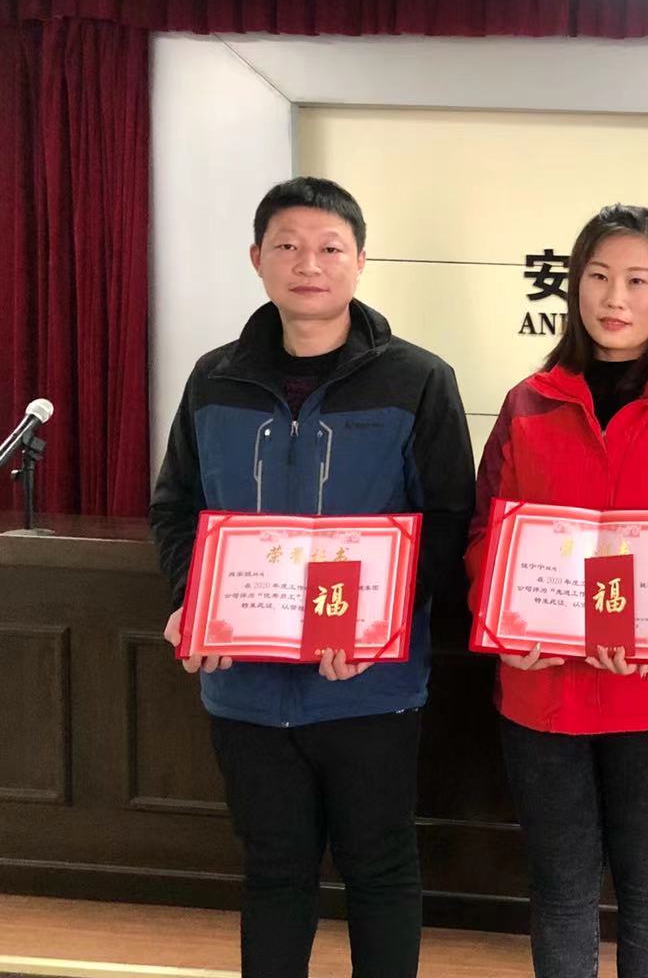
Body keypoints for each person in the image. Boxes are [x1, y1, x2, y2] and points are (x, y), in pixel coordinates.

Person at [150, 176, 476, 978]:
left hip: (370, 686)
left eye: (330, 247)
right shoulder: (214, 379)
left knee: (380, 869)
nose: (309, 264)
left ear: (360, 261)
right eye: (288, 246)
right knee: (273, 873)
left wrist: (377, 626)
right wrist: (192, 600)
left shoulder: (418, 379)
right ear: (256, 258)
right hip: (246, 686)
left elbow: (447, 519)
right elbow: (177, 505)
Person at [465, 203, 648, 978]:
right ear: (574, 286)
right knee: (561, 892)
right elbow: (485, 535)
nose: (614, 298)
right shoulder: (528, 403)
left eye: (636, 280)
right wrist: (502, 620)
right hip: (542, 688)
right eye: (598, 277)